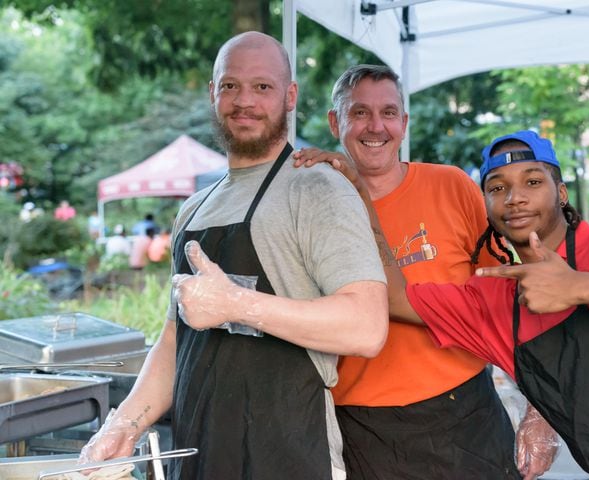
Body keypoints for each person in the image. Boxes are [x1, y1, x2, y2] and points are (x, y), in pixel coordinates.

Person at [77, 32, 388, 480]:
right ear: (213, 93)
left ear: (290, 95)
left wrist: (237, 304)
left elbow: (367, 327)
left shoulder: (317, 188)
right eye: (230, 86)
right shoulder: (194, 207)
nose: (245, 101)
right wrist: (125, 423)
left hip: (288, 455)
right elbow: (173, 341)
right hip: (198, 451)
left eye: (262, 87)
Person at [377, 130, 589, 479]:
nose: (514, 198)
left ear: (561, 192)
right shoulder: (491, 301)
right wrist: (358, 196)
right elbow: (395, 297)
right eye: (497, 188)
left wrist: (577, 286)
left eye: (533, 181)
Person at [294, 65, 557, 480]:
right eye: (360, 113)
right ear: (334, 122)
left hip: (465, 414)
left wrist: (541, 413)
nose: (376, 126)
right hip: (362, 426)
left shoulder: (451, 186)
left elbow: (516, 303)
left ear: (404, 123)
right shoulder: (312, 207)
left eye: (389, 112)